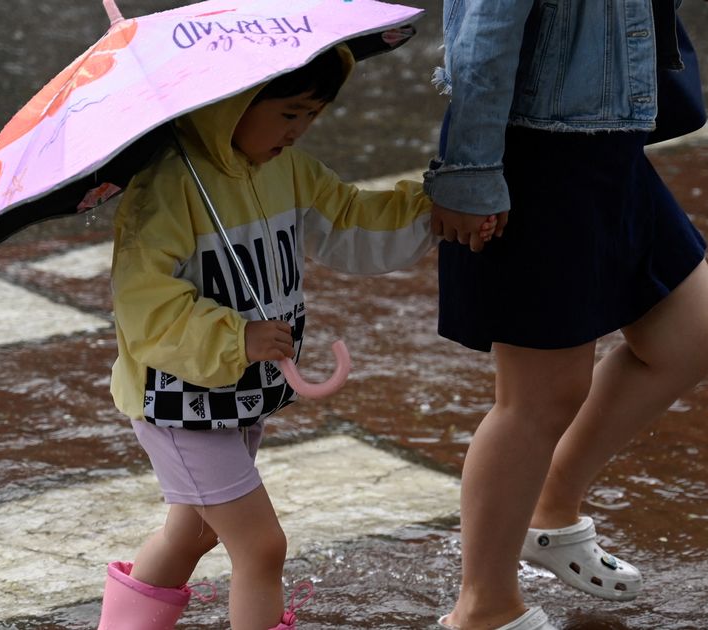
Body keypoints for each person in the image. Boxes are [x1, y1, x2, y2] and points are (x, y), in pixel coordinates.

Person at [94, 46, 446, 630]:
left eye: (313, 114)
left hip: (239, 393)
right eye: (288, 113)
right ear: (233, 104)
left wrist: (437, 210)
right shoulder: (167, 188)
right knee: (261, 547)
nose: (300, 129)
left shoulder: (288, 170)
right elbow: (144, 306)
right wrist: (238, 336)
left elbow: (351, 219)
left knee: (194, 531)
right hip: (180, 399)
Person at [423, 1, 708, 629]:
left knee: (691, 336)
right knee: (539, 397)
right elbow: (483, 40)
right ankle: (483, 609)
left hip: (606, 146)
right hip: (537, 151)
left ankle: (551, 505)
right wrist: (473, 169)